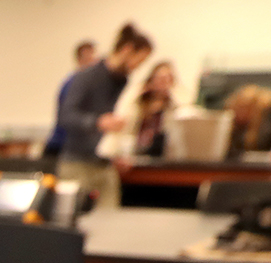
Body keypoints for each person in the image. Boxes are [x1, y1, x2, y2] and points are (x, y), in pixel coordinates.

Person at [57, 24, 154, 206]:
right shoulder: (86, 76)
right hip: (77, 164)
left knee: (111, 220)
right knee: (72, 217)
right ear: (127, 50)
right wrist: (98, 122)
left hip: (106, 165)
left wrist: (120, 153)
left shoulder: (124, 83)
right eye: (138, 61)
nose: (138, 67)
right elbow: (66, 116)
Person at [42, 40, 98, 159]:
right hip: (62, 147)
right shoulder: (74, 84)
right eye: (88, 58)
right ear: (79, 60)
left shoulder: (86, 85)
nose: (93, 62)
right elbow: (68, 118)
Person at [134, 60, 176, 158]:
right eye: (160, 78)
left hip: (162, 153)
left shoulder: (173, 104)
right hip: (137, 150)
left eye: (167, 78)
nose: (163, 82)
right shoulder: (140, 101)